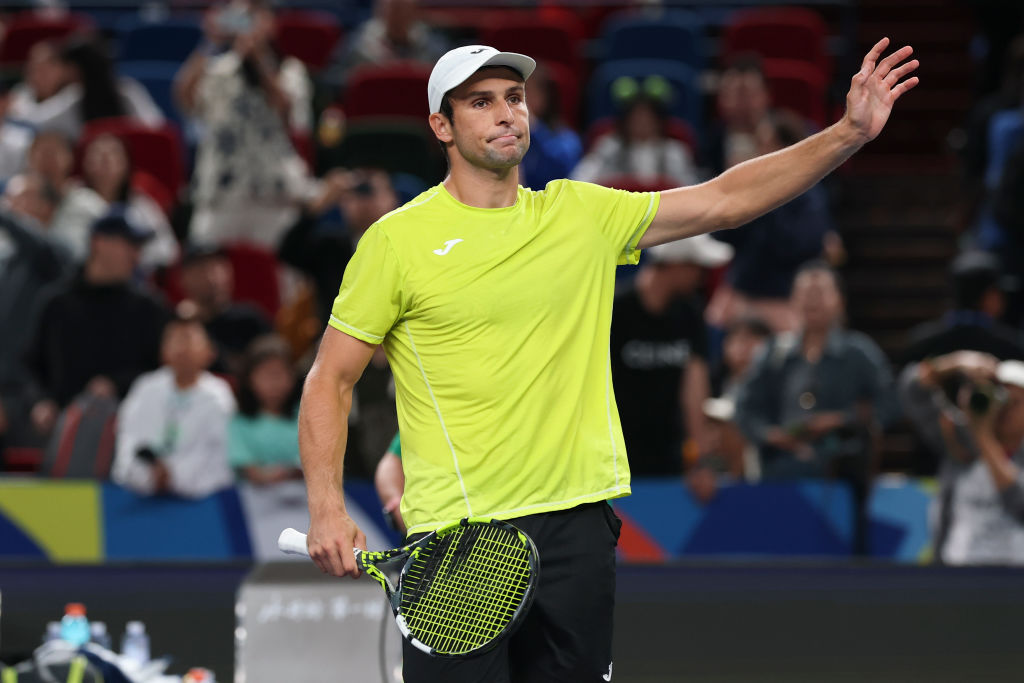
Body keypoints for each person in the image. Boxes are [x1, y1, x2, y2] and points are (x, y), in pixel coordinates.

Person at [299, 41, 918, 681]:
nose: (506, 114)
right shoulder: (396, 242)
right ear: (442, 127)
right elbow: (330, 380)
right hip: (460, 539)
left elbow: (724, 201)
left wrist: (846, 134)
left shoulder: (582, 215)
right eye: (481, 102)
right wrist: (326, 506)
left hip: (578, 529)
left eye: (514, 98)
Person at [174, 0, 319, 248]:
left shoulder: (290, 70)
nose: (248, 24)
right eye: (241, 17)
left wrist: (257, 57)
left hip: (272, 195)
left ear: (271, 24)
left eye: (255, 17)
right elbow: (185, 97)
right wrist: (210, 42)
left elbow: (284, 107)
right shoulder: (219, 70)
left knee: (267, 276)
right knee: (205, 262)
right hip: (221, 192)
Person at [25, 213, 169, 437]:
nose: (136, 254)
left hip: (128, 426)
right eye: (129, 244)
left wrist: (117, 385)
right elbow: (31, 364)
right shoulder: (57, 303)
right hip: (60, 427)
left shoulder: (149, 308)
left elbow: (161, 371)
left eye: (138, 247)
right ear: (98, 243)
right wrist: (42, 401)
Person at [609, 235, 732, 475]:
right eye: (697, 267)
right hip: (617, 454)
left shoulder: (690, 314)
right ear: (677, 264)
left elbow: (694, 387)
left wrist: (700, 460)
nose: (701, 277)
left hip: (670, 455)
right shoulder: (616, 311)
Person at [706, 110, 834, 332]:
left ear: (787, 148)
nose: (760, 151)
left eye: (767, 143)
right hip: (743, 291)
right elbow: (720, 234)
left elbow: (802, 245)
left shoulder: (810, 194)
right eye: (759, 143)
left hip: (783, 298)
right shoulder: (749, 189)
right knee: (712, 326)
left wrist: (768, 201)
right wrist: (734, 189)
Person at [900, 352, 1024, 565]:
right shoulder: (959, 439)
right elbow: (912, 391)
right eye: (1000, 399)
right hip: (957, 574)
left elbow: (1019, 504)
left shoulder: (977, 436)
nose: (1005, 410)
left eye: (1016, 402)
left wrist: (983, 436)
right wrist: (956, 363)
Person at [113, 310, 236, 498]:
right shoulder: (146, 389)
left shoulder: (218, 397)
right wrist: (149, 476)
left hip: (201, 502)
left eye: (188, 339)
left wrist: (174, 476)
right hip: (143, 498)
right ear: (163, 351)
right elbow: (128, 440)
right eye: (173, 339)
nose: (181, 347)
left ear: (209, 352)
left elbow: (221, 456)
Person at [50, 133, 178, 270]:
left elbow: (168, 249)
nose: (106, 159)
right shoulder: (70, 197)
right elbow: (63, 244)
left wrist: (129, 257)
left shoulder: (141, 204)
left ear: (127, 164)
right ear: (85, 162)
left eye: (113, 154)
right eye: (98, 154)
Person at [901, 250, 1024, 366]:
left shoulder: (921, 342)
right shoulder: (1010, 346)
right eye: (998, 292)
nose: (1003, 298)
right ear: (986, 296)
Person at [572, 75, 698, 187]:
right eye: (636, 118)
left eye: (648, 119)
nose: (642, 123)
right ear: (625, 121)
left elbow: (690, 189)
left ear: (659, 122)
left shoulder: (673, 151)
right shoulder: (609, 147)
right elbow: (581, 180)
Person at [177, 244, 272, 377]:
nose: (210, 277)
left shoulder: (249, 320)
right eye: (200, 270)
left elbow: (268, 368)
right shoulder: (177, 325)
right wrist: (192, 323)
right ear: (183, 279)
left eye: (216, 267)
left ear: (229, 273)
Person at [229, 335, 302, 485]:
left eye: (279, 374)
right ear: (249, 379)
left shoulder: (305, 415)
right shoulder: (240, 421)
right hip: (255, 498)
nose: (274, 384)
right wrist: (279, 474)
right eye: (267, 375)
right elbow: (251, 471)